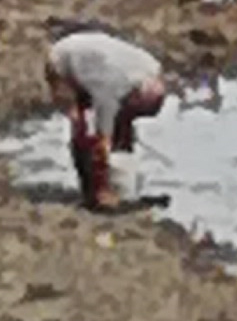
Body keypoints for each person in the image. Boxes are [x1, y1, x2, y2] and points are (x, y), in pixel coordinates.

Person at [45, 25, 167, 210]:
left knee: (122, 125)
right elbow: (102, 142)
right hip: (63, 61)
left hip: (94, 58)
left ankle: (123, 187)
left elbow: (127, 113)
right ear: (133, 96)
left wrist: (125, 123)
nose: (137, 116)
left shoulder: (151, 67)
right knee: (84, 128)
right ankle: (95, 193)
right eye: (137, 110)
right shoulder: (109, 93)